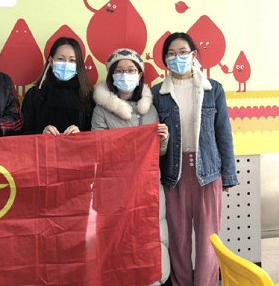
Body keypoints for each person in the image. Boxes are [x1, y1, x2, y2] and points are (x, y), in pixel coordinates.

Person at [152, 32, 238, 286]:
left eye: (182, 52)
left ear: (193, 55)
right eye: (171, 54)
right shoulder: (157, 93)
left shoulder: (214, 89)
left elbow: (224, 133)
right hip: (173, 174)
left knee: (208, 239)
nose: (177, 58)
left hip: (208, 173)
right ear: (164, 59)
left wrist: (228, 175)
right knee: (177, 239)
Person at [91, 48, 171, 285]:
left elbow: (158, 153)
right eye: (119, 71)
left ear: (140, 75)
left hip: (149, 188)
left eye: (131, 70)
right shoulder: (101, 110)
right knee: (118, 241)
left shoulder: (150, 109)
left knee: (152, 238)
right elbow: (99, 150)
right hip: (115, 190)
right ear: (111, 76)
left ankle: (155, 280)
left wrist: (163, 139)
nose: (125, 75)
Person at [21, 37, 94, 135]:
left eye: (72, 60)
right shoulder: (34, 94)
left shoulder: (87, 95)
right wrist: (41, 133)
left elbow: (94, 134)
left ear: (78, 65)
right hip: (43, 145)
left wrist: (80, 134)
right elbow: (24, 133)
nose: (66, 64)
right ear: (51, 62)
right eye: (61, 59)